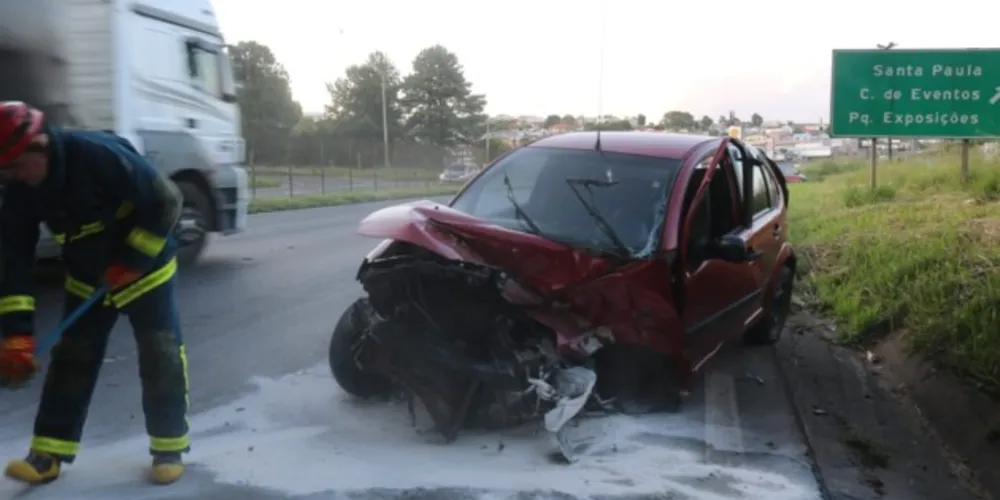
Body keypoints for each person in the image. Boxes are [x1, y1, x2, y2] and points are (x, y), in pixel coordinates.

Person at [0, 101, 190, 486]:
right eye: (6, 172)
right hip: (88, 277)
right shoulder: (21, 191)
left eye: (17, 167)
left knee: (161, 352)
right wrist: (16, 334)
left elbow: (166, 200)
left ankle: (168, 448)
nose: (13, 177)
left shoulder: (96, 154)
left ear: (39, 145)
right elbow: (13, 262)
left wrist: (133, 259)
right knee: (72, 358)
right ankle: (47, 454)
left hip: (146, 268)